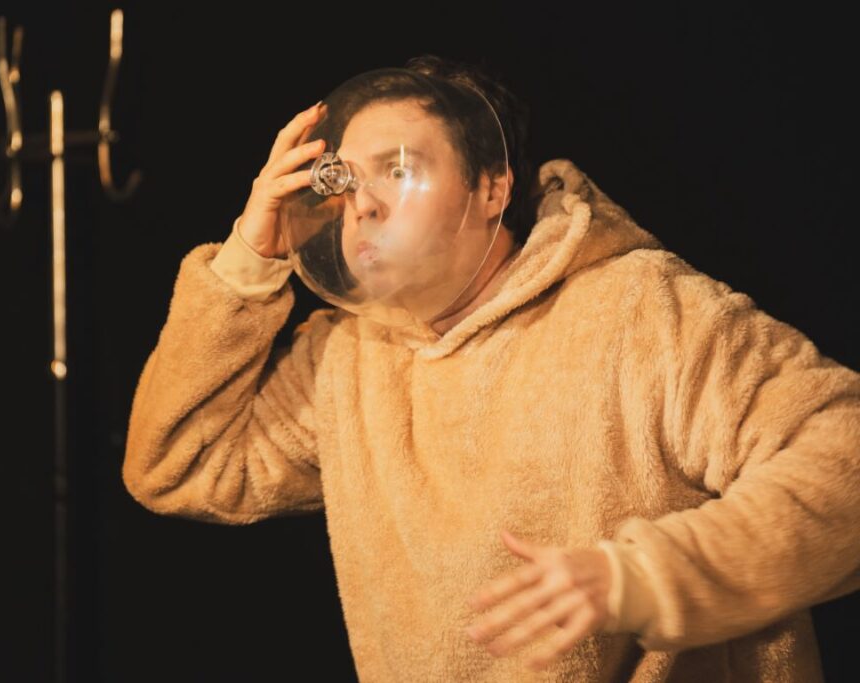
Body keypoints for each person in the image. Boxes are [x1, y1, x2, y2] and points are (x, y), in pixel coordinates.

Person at [122, 54, 860, 681]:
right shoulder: (347, 354)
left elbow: (844, 452)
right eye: (342, 178)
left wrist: (643, 579)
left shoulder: (636, 309)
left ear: (491, 189)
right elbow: (178, 465)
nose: (360, 203)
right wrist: (248, 257)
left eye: (398, 169)